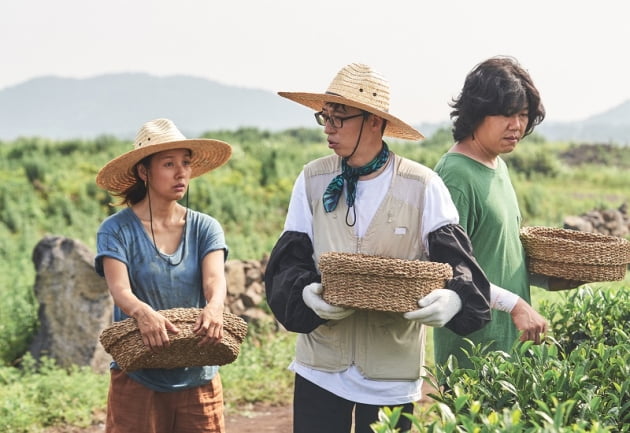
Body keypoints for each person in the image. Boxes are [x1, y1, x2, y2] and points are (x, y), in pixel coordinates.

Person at [264, 63, 494, 433]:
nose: (328, 127)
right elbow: (288, 262)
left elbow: (461, 267)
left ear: (374, 121)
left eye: (340, 118)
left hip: (391, 374)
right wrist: (306, 293)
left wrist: (453, 299)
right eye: (325, 116)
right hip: (320, 366)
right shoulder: (313, 178)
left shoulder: (422, 186)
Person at [433, 56, 582, 371]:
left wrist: (551, 278)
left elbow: (494, 254)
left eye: (523, 115)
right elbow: (444, 270)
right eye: (506, 114)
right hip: (474, 357)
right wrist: (513, 304)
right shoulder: (456, 176)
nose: (517, 126)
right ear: (476, 113)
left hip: (510, 348)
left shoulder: (497, 165)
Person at [94, 118, 233, 433]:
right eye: (168, 164)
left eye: (185, 163)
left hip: (198, 372)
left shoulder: (205, 227)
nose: (181, 172)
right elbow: (120, 290)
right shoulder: (116, 229)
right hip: (137, 373)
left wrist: (214, 307)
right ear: (144, 172)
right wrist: (144, 313)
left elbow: (214, 281)